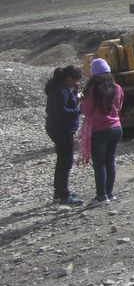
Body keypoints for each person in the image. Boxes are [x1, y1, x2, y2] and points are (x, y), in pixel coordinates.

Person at [80, 58, 124, 205]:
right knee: (110, 161)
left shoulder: (93, 90)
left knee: (99, 164)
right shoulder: (117, 88)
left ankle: (101, 196)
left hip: (99, 130)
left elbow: (87, 110)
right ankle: (110, 193)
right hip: (116, 128)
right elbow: (119, 106)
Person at [44, 65, 84, 206]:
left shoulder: (63, 89)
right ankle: (64, 194)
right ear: (68, 78)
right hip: (61, 130)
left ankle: (59, 192)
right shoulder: (60, 91)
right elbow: (62, 111)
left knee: (63, 160)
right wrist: (79, 110)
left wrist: (76, 92)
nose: (76, 83)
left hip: (60, 129)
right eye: (75, 80)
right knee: (65, 162)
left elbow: (67, 103)